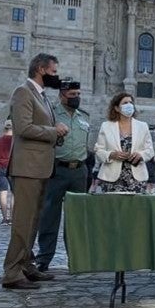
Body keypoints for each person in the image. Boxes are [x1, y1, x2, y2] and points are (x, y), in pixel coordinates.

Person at [1, 53, 64, 290]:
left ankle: (26, 264)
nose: (56, 76)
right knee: (23, 221)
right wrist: (53, 131)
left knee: (33, 220)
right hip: (27, 167)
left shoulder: (42, 96)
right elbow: (24, 127)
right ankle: (12, 271)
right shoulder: (23, 92)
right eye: (54, 71)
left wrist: (55, 133)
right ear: (41, 69)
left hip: (40, 166)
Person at [34, 80, 92, 272]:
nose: (76, 98)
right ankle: (44, 257)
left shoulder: (84, 116)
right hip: (57, 169)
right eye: (72, 95)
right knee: (50, 215)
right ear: (62, 95)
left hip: (79, 170)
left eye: (78, 94)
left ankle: (76, 258)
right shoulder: (51, 115)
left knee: (77, 217)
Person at [94, 93, 155, 193]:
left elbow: (150, 150)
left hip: (136, 178)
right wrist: (111, 155)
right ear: (117, 108)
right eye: (125, 103)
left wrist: (140, 155)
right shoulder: (106, 126)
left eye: (131, 102)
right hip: (111, 178)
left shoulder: (143, 126)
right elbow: (98, 150)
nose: (129, 105)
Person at [0, 120, 14, 225]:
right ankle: (12, 218)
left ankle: (4, 218)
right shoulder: (15, 141)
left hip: (0, 166)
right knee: (13, 194)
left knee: (3, 192)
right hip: (12, 167)